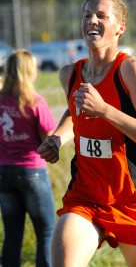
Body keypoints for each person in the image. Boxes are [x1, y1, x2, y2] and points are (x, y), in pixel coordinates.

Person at [38, 0, 136, 267]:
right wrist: (57, 139)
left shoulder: (130, 70)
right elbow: (75, 111)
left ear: (120, 27)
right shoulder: (70, 74)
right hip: (85, 197)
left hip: (131, 200)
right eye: (87, 15)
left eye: (101, 15)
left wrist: (106, 110)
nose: (91, 21)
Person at [0, 49, 57, 267]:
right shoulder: (34, 102)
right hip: (31, 172)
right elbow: (49, 139)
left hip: (3, 172)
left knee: (12, 234)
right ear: (30, 72)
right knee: (47, 231)